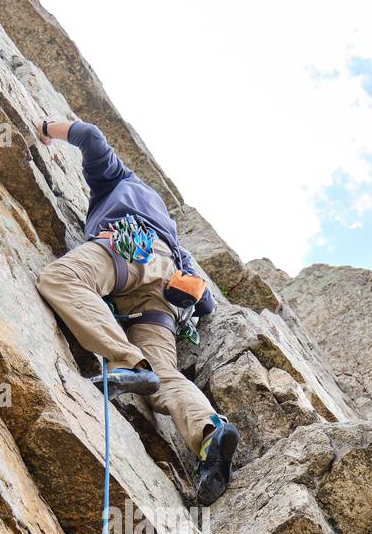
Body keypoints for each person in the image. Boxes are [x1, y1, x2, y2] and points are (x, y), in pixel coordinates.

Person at [34, 118, 239, 505]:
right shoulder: (178, 241)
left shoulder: (120, 181)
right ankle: (210, 433)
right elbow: (206, 303)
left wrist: (46, 129)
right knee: (167, 377)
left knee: (61, 278)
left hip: (129, 249)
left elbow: (90, 137)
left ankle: (130, 364)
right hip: (164, 297)